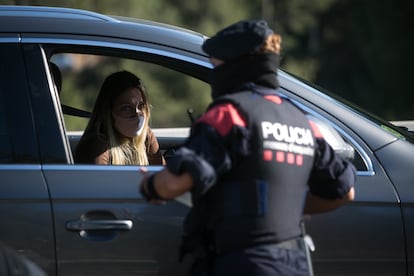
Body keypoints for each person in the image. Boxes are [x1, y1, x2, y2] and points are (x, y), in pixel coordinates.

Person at [139, 19, 356, 276]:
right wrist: (284, 206)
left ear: (235, 65)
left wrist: (151, 187)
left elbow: (175, 183)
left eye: (215, 64)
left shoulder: (229, 115)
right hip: (294, 263)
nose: (213, 72)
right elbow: (344, 192)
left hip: (244, 264)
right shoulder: (304, 122)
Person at [75, 70, 165, 165]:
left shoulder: (145, 136)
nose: (136, 113)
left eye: (141, 106)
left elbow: (164, 176)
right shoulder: (97, 146)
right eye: (126, 108)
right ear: (108, 112)